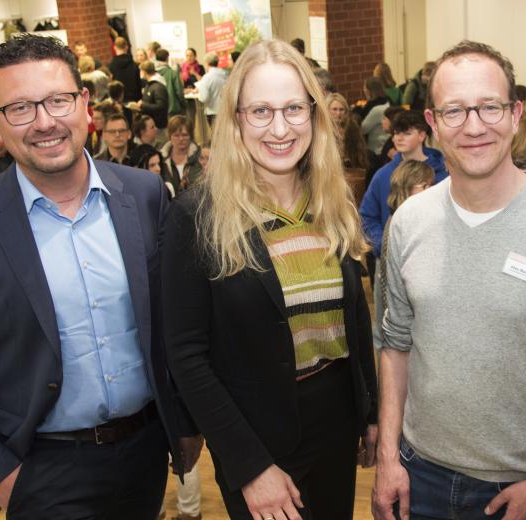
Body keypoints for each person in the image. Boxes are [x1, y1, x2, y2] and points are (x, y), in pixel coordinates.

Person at [0, 34, 196, 518]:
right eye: (20, 108)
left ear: (84, 104)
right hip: (41, 468)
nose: (45, 122)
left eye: (57, 101)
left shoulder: (145, 194)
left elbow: (177, 326)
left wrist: (185, 424)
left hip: (146, 451)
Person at [371, 40, 526, 520]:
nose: (474, 126)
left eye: (488, 107)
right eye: (455, 111)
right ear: (433, 123)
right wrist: (387, 460)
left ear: (515, 114)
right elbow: (395, 345)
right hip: (418, 477)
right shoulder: (408, 223)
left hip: (523, 486)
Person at [161, 39, 378, 520]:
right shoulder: (197, 217)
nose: (280, 128)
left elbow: (354, 314)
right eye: (261, 111)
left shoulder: (330, 200)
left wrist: (370, 410)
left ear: (314, 115)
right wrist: (249, 467)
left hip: (335, 422)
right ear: (235, 119)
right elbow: (186, 356)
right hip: (256, 434)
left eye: (293, 109)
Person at [359, 110, 447, 268]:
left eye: (406, 133)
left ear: (421, 135)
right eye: (396, 133)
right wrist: (384, 247)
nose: (398, 138)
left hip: (437, 257)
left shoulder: (443, 174)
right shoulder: (383, 175)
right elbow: (367, 217)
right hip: (393, 260)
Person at [369, 159, 432, 351]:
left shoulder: (404, 217)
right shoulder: (403, 222)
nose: (432, 190)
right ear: (406, 188)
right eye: (425, 186)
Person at [160, 115, 202, 192]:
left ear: (191, 136)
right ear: (170, 137)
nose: (181, 139)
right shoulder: (161, 159)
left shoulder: (200, 157)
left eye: (185, 135)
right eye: (176, 135)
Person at [328, 93, 368, 170]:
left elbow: (360, 154)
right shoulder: (322, 130)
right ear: (327, 110)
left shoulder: (352, 128)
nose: (338, 113)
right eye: (334, 109)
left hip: (351, 170)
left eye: (341, 109)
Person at [194, 52, 227, 125]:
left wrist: (199, 92)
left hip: (212, 112)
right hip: (225, 111)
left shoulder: (207, 77)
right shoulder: (225, 75)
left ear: (207, 63)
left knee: (216, 134)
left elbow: (204, 98)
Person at [110, 37, 144, 103]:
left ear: (115, 48)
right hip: (135, 99)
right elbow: (139, 83)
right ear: (126, 47)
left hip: (120, 100)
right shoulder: (135, 65)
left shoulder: (111, 66)